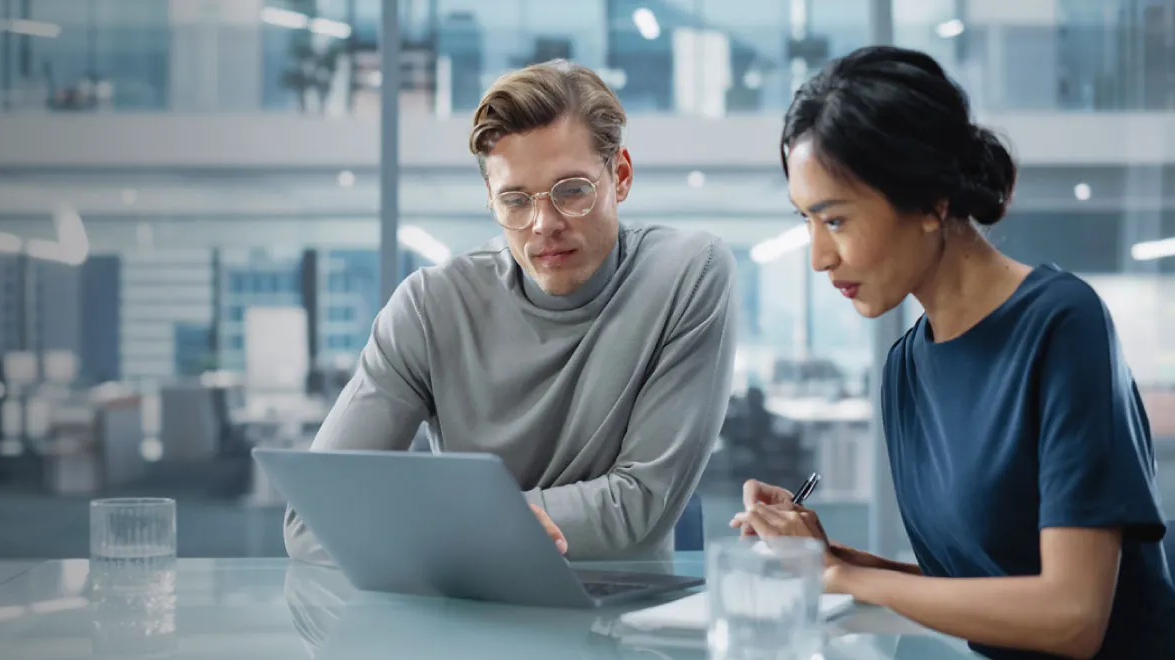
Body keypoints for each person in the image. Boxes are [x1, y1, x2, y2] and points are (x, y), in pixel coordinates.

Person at [734, 46, 1175, 659]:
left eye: (834, 221)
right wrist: (825, 557)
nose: (818, 257)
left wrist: (847, 577)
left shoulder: (1062, 324)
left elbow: (1072, 617)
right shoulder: (905, 368)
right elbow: (979, 592)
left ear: (931, 202)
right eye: (805, 220)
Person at [282, 60, 737, 563]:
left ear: (620, 176)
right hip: (469, 620)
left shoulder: (689, 273)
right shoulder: (430, 306)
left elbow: (639, 506)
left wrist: (459, 527)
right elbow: (312, 521)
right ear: (491, 201)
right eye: (515, 200)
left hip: (625, 623)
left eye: (571, 191)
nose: (543, 224)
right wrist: (493, 529)